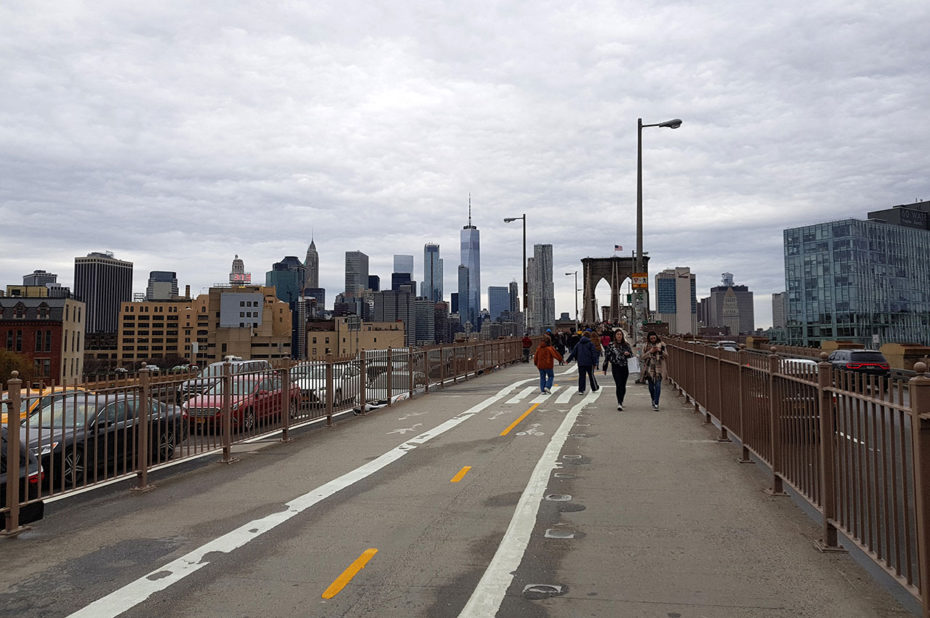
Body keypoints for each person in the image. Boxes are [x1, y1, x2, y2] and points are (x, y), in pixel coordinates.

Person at [602, 329, 633, 410]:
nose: (619, 336)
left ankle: (621, 399)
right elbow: (607, 357)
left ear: (622, 336)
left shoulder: (626, 345)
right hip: (616, 366)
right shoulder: (611, 345)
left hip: (625, 367)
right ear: (615, 336)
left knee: (623, 385)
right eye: (617, 334)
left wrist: (628, 354)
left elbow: (631, 355)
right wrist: (604, 368)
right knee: (618, 384)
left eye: (620, 334)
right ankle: (619, 402)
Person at [567, 329, 599, 394]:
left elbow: (573, 353)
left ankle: (581, 390)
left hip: (581, 362)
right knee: (591, 375)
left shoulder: (578, 344)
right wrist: (595, 363)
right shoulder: (590, 344)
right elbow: (593, 354)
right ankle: (594, 387)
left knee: (582, 376)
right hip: (589, 362)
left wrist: (568, 360)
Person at [641, 331, 667, 410]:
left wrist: (660, 350)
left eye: (654, 338)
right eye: (651, 338)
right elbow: (642, 357)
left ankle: (656, 403)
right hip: (649, 367)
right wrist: (650, 352)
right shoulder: (645, 345)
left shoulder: (662, 344)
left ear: (656, 337)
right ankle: (653, 399)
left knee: (658, 385)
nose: (653, 339)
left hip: (659, 367)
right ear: (649, 339)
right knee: (651, 386)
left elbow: (666, 355)